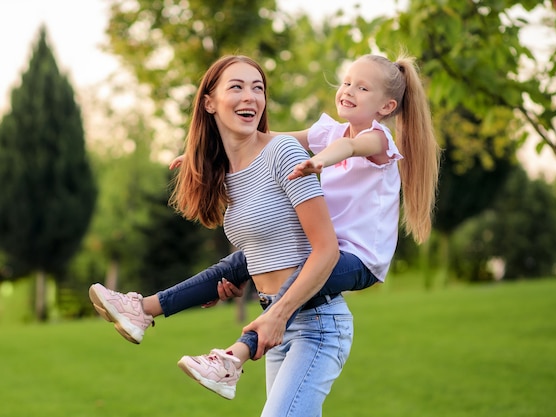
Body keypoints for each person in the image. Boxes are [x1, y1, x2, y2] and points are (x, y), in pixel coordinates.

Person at [89, 52, 440, 404]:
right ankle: (143, 309)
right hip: (289, 310)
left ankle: (233, 358)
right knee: (235, 264)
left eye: (362, 88)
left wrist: (320, 161)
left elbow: (348, 147)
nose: (348, 90)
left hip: (357, 261)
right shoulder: (325, 132)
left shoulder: (379, 140)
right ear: (209, 103)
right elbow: (271, 136)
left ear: (386, 105)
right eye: (347, 82)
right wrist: (201, 150)